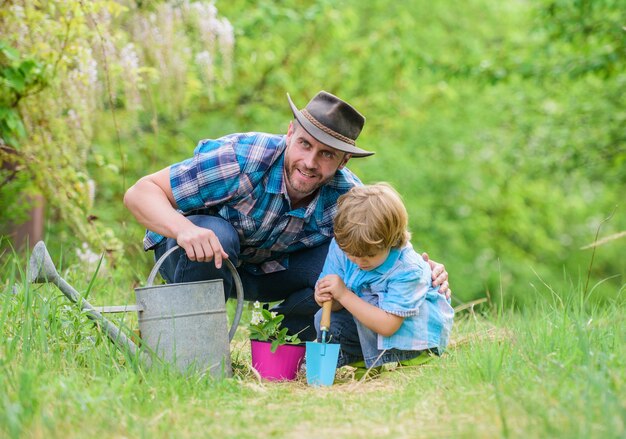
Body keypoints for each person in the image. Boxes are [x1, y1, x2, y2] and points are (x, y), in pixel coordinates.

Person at [124, 91, 450, 340]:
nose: (310, 162)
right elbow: (140, 192)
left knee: (342, 264)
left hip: (266, 273)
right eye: (305, 144)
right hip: (192, 256)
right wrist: (183, 229)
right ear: (290, 132)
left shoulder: (347, 194)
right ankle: (192, 349)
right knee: (217, 233)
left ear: (343, 162)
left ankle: (286, 338)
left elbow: (385, 244)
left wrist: (424, 271)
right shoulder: (240, 159)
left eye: (327, 155)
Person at [314, 183, 454, 375]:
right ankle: (366, 361)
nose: (359, 261)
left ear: (392, 241)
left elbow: (388, 325)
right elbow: (334, 303)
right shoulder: (343, 248)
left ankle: (414, 359)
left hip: (411, 335)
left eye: (369, 255)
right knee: (322, 317)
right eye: (352, 254)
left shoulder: (407, 269)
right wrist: (325, 296)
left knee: (368, 302)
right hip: (372, 324)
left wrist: (344, 294)